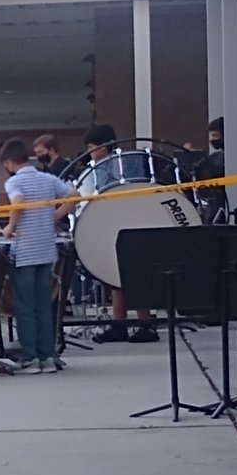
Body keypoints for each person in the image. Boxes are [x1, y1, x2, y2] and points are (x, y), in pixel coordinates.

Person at [0, 139, 79, 373]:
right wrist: (54, 216)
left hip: (24, 252)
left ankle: (31, 357)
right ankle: (48, 356)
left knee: (24, 306)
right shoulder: (48, 178)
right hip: (46, 250)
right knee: (44, 305)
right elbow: (74, 196)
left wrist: (9, 227)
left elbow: (18, 203)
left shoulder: (14, 182)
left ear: (8, 162)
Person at [80, 124, 158, 343]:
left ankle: (145, 323)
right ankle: (120, 323)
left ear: (104, 146)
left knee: (135, 275)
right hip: (112, 223)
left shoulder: (121, 165)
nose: (90, 151)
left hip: (126, 223)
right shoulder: (98, 166)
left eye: (92, 146)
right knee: (114, 278)